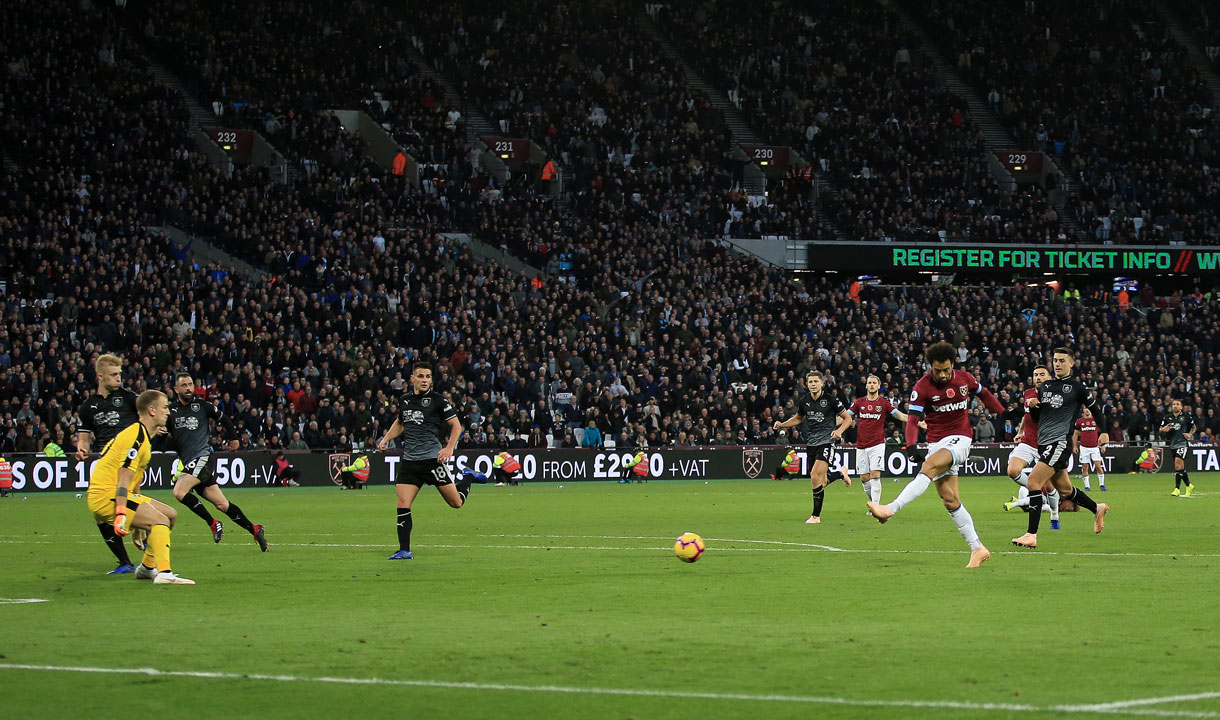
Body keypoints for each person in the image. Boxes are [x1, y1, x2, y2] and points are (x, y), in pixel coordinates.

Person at [866, 341, 1006, 569]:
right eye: (937, 370)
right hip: (936, 442)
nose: (942, 375)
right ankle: (977, 548)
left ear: (953, 364)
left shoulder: (965, 379)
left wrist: (1004, 412)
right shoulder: (921, 388)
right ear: (930, 366)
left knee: (928, 467)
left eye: (946, 370)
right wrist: (911, 446)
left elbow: (986, 395)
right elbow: (912, 421)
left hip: (960, 439)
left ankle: (890, 509)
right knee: (950, 500)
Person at [86, 390, 194, 584]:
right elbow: (123, 479)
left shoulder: (142, 435)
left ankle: (147, 567)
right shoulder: (136, 438)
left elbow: (133, 483)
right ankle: (165, 573)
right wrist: (121, 512)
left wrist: (138, 521)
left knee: (170, 515)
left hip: (117, 493)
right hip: (106, 496)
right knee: (159, 520)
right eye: (165, 407)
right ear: (151, 410)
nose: (168, 412)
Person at [1012, 347, 1109, 549]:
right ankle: (1097, 508)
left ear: (1071, 363)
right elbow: (1040, 417)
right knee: (1065, 490)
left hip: (1060, 443)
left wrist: (1104, 431)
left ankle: (1031, 534)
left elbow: (1095, 410)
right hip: (1044, 443)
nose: (1057, 364)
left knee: (1033, 481)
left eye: (1062, 360)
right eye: (1055, 360)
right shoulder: (1046, 386)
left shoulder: (1078, 388)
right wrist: (1035, 406)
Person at [377, 361, 472, 560]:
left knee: (456, 503)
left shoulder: (438, 401)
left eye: (428, 377)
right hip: (410, 462)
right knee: (403, 502)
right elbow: (401, 422)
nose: (425, 380)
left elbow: (456, 426)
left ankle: (468, 478)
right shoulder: (404, 400)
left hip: (432, 460)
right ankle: (404, 550)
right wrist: (387, 438)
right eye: (421, 376)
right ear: (412, 379)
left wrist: (448, 448)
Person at [164, 373, 267, 551]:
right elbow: (164, 435)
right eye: (184, 385)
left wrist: (234, 438)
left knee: (179, 492)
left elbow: (224, 419)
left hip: (202, 458)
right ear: (176, 389)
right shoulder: (170, 412)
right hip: (190, 462)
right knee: (222, 504)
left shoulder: (202, 406)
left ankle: (212, 523)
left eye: (190, 384)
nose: (189, 388)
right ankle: (254, 529)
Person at [76, 354, 141, 575]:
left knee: (135, 506)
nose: (118, 379)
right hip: (105, 462)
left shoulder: (130, 398)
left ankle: (151, 550)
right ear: (100, 376)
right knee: (100, 513)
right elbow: (84, 438)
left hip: (129, 460)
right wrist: (82, 449)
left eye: (120, 374)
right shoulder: (87, 407)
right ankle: (125, 562)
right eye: (114, 375)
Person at [772, 370, 853, 524]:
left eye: (816, 381)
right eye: (810, 382)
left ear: (822, 383)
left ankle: (816, 516)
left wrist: (839, 431)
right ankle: (841, 473)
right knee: (820, 482)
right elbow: (798, 418)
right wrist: (782, 425)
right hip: (811, 443)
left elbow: (847, 418)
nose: (813, 384)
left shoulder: (831, 400)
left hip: (827, 442)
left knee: (815, 476)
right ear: (807, 384)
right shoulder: (804, 401)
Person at [1002, 366, 1061, 527]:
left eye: (1042, 374)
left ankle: (1054, 515)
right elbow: (1026, 415)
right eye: (1036, 375)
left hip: (1046, 445)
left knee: (1049, 485)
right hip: (1028, 441)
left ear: (1050, 378)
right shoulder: (1028, 393)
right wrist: (1020, 431)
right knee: (1012, 470)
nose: (1038, 377)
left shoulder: (1056, 396)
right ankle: (1036, 488)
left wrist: (1039, 405)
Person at [847, 375, 912, 508]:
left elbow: (899, 415)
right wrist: (829, 423)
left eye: (874, 383)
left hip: (877, 444)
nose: (871, 385)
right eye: (869, 382)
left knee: (875, 474)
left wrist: (914, 421)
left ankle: (875, 508)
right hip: (861, 445)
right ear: (866, 386)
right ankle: (873, 503)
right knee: (864, 478)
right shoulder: (859, 403)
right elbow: (846, 416)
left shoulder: (884, 403)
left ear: (878, 386)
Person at [1159, 399, 1195, 497]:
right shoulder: (1167, 418)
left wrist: (1190, 434)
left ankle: (1177, 489)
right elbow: (1160, 430)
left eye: (1178, 404)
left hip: (1183, 443)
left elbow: (1194, 427)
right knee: (1181, 468)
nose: (1175, 406)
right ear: (1171, 407)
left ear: (1181, 407)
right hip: (1172, 445)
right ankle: (1189, 485)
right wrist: (1163, 430)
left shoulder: (1186, 417)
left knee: (1177, 465)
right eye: (1174, 404)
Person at [1074, 407, 1108, 491]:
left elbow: (1103, 432)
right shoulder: (1079, 421)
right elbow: (1075, 434)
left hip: (1095, 447)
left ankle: (1102, 484)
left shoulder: (1096, 420)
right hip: (1084, 447)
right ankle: (1087, 486)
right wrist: (1074, 446)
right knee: (1085, 467)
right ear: (1083, 410)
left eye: (1088, 409)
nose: (1087, 410)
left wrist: (1103, 444)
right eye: (1085, 409)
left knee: (1098, 466)